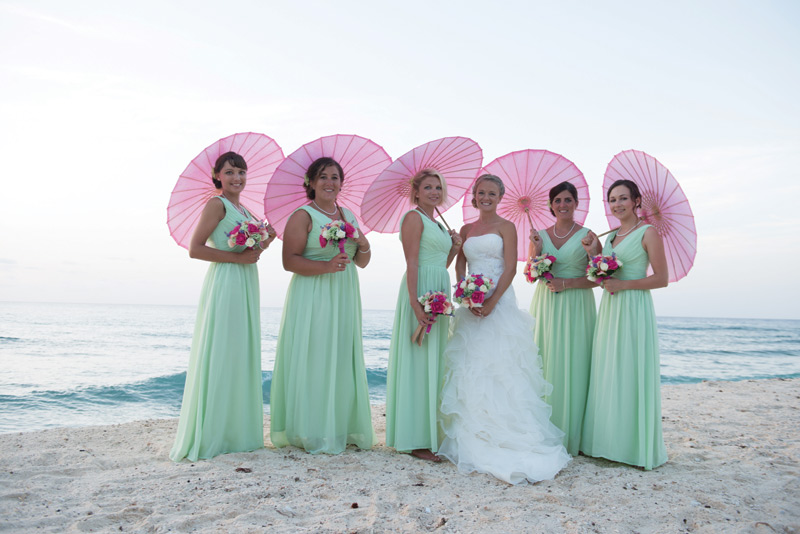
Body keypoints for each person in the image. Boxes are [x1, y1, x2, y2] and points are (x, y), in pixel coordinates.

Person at [438, 174, 570, 484]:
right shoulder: (467, 230)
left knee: (502, 365)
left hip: (500, 302)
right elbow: (460, 263)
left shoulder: (507, 227)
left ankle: (509, 432)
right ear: (474, 195)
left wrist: (492, 301)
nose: (486, 197)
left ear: (500, 197)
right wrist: (465, 292)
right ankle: (473, 431)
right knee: (471, 365)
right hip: (472, 304)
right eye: (481, 192)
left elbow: (511, 267)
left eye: (492, 193)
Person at [170, 151, 276, 462]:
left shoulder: (244, 209)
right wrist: (237, 258)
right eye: (229, 172)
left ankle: (236, 431)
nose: (236, 178)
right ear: (218, 176)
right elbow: (196, 249)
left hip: (245, 280)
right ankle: (214, 431)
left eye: (241, 172)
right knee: (223, 349)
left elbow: (251, 250)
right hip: (227, 280)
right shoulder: (217, 204)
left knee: (239, 351)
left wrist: (265, 238)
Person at [269, 156, 376, 454]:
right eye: (324, 177)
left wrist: (364, 244)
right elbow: (289, 260)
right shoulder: (302, 216)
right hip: (313, 292)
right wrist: (326, 266)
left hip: (344, 292)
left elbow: (362, 262)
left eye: (335, 177)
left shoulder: (348, 214)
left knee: (341, 355)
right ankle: (310, 428)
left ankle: (339, 425)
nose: (330, 183)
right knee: (315, 355)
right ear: (311, 183)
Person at [579, 179, 669, 470]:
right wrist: (593, 251)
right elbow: (601, 276)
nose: (617, 204)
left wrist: (624, 285)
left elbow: (661, 278)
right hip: (611, 307)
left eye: (623, 198)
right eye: (613, 200)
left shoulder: (648, 232)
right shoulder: (610, 237)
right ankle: (606, 442)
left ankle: (632, 446)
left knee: (630, 369)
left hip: (633, 306)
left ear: (636, 201)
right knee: (608, 369)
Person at [385, 169, 462, 462]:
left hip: (439, 288)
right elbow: (413, 261)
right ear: (415, 192)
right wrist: (417, 306)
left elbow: (441, 263)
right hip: (420, 291)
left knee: (436, 361)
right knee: (419, 362)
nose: (434, 192)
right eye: (428, 187)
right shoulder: (414, 218)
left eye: (438, 187)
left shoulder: (439, 224)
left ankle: (431, 432)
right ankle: (414, 438)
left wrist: (453, 247)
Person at [528, 181, 597, 455]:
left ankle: (574, 432)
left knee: (574, 361)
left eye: (568, 200)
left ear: (576, 203)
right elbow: (530, 276)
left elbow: (599, 278)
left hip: (577, 304)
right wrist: (534, 251)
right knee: (545, 360)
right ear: (551, 204)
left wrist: (590, 255)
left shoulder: (589, 235)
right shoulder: (540, 235)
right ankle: (544, 429)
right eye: (557, 200)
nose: (562, 205)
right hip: (546, 304)